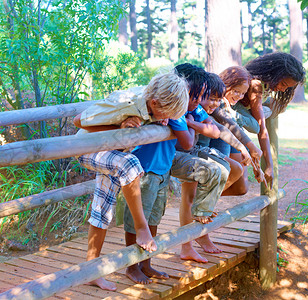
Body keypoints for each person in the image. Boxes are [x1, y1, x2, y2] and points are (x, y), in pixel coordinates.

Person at [73, 71, 189, 291]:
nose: (168, 119)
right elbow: (79, 121)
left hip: (110, 150)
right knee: (131, 165)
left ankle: (90, 271)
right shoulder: (124, 104)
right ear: (154, 102)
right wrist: (119, 128)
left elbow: (157, 116)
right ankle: (141, 227)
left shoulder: (152, 101)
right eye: (168, 114)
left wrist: (159, 117)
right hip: (87, 148)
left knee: (103, 208)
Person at [123, 104, 195, 284]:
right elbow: (187, 143)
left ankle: (146, 263)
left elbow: (182, 143)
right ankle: (131, 267)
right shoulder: (160, 111)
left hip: (163, 169)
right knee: (136, 220)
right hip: (146, 169)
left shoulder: (179, 114)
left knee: (154, 219)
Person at [169, 63, 227, 263]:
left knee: (225, 170)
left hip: (189, 154)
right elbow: (188, 142)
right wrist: (194, 126)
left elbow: (215, 131)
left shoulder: (194, 110)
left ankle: (201, 222)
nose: (199, 101)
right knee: (189, 198)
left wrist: (192, 123)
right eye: (199, 96)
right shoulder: (175, 107)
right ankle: (188, 244)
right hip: (175, 157)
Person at [234, 52, 306, 189]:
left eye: (287, 87)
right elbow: (261, 130)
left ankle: (256, 113)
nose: (283, 89)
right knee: (256, 126)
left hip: (252, 105)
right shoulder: (256, 85)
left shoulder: (267, 86)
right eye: (283, 83)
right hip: (237, 108)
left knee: (277, 107)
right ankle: (236, 117)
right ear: (275, 73)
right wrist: (269, 165)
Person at [204, 67, 266, 195]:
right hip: (207, 147)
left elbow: (254, 127)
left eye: (243, 93)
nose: (239, 96)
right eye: (236, 91)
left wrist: (256, 166)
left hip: (229, 142)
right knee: (226, 172)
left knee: (240, 186)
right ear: (225, 85)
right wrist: (250, 147)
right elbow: (227, 124)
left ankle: (206, 201)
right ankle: (203, 203)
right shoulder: (216, 102)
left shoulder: (231, 106)